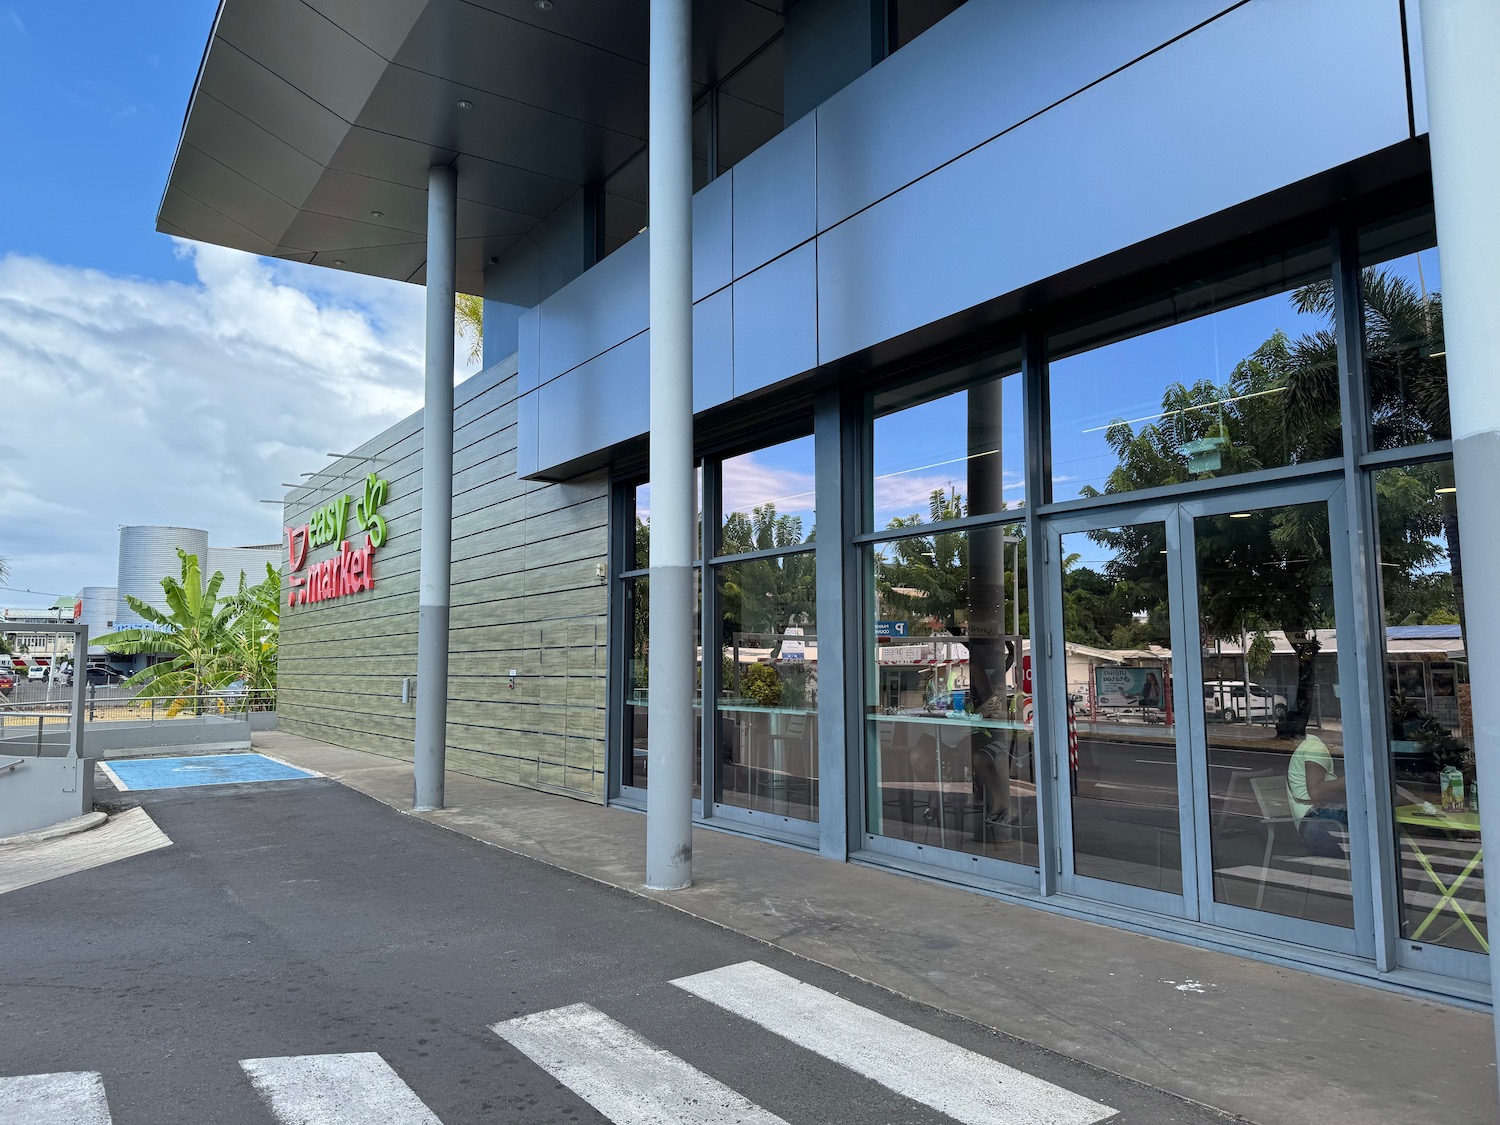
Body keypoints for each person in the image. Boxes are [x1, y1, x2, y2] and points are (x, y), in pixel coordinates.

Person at [1286, 732, 1347, 857]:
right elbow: (1316, 792)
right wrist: (1353, 777)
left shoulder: (1307, 745)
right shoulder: (1314, 747)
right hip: (1317, 820)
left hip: (1313, 821)